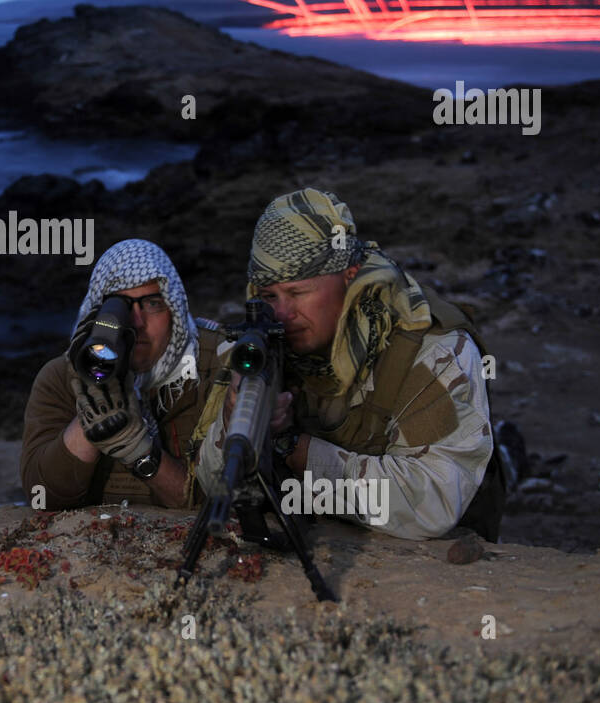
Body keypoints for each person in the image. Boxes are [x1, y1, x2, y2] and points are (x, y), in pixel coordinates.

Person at [197, 188, 505, 541]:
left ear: (350, 274)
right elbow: (211, 484)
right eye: (269, 296)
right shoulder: (262, 345)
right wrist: (239, 420)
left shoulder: (431, 349)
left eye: (298, 293)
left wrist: (294, 449)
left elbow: (434, 500)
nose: (282, 314)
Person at [20, 239, 227, 510]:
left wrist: (137, 449)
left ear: (174, 310)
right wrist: (90, 419)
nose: (137, 323)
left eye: (153, 304)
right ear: (97, 313)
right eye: (120, 308)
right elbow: (42, 498)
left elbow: (222, 500)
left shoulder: (217, 366)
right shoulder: (62, 378)